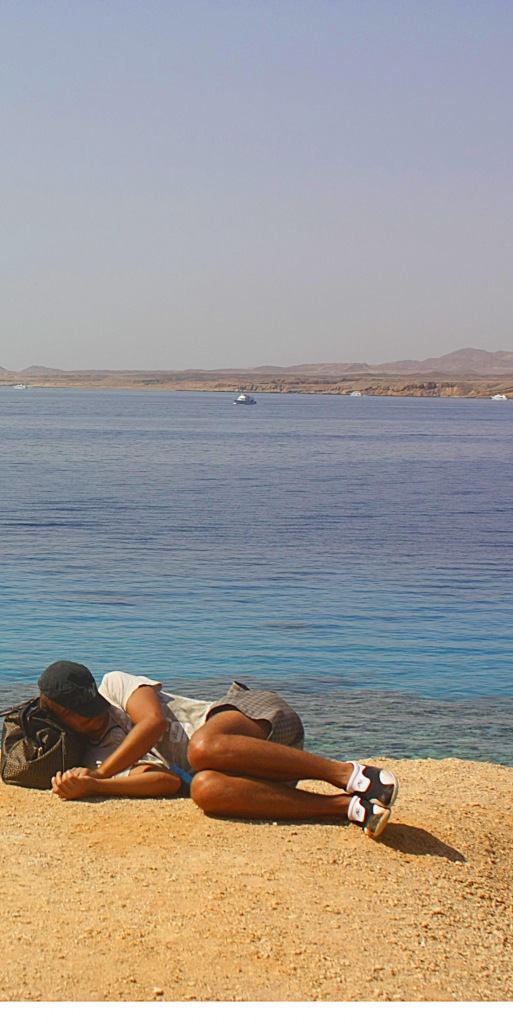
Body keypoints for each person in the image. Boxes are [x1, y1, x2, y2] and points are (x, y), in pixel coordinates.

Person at [39, 660, 398, 839]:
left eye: (93, 704)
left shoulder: (116, 685)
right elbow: (164, 781)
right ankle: (346, 807)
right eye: (81, 713)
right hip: (261, 772)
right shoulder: (96, 756)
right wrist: (97, 784)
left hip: (256, 720)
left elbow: (153, 723)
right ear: (62, 717)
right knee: (204, 789)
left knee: (201, 748)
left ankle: (349, 774)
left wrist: (102, 773)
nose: (95, 714)